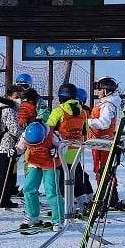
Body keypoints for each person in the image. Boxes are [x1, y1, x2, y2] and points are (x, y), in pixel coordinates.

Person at [48, 82, 93, 214]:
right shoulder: (83, 112)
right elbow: (85, 130)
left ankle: (66, 207)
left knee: (62, 179)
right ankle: (83, 203)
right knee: (76, 177)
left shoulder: (58, 111)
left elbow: (48, 130)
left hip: (61, 150)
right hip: (76, 149)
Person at [16, 120, 67, 231]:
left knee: (51, 192)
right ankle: (33, 216)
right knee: (29, 188)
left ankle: (58, 220)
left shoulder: (52, 135)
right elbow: (20, 148)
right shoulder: (25, 134)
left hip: (50, 164)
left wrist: (57, 151)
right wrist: (14, 151)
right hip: (34, 163)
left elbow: (64, 147)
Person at [86, 75, 125, 212]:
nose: (98, 92)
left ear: (107, 90)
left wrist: (87, 122)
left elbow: (104, 123)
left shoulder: (108, 105)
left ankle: (108, 196)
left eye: (100, 89)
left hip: (103, 142)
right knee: (101, 169)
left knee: (102, 169)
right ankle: (107, 195)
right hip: (98, 142)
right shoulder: (106, 103)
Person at [0, 84, 24, 209]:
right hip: (7, 144)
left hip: (0, 144)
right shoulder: (9, 110)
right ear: (9, 96)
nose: (19, 99)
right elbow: (14, 129)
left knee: (2, 171)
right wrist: (24, 133)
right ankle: (3, 199)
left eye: (21, 97)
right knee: (6, 173)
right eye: (17, 96)